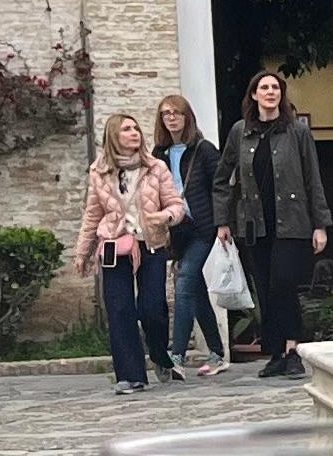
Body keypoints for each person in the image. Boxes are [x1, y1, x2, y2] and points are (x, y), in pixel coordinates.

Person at [221, 68, 330, 381]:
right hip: (255, 225)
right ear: (254, 95)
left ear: (281, 96)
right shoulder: (240, 133)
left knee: (283, 283)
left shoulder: (297, 132)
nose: (270, 92)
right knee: (267, 290)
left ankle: (294, 350)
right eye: (264, 87)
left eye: (276, 88)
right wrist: (223, 221)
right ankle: (277, 354)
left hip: (292, 223)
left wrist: (320, 224)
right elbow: (223, 177)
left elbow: (313, 179)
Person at [72, 111, 185, 397]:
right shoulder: (99, 171)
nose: (134, 133)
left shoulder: (156, 167)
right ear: (114, 136)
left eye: (136, 128)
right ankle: (130, 376)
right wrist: (82, 252)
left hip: (151, 245)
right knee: (120, 311)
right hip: (115, 247)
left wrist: (165, 216)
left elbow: (176, 204)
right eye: (126, 129)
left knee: (153, 310)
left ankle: (160, 354)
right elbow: (92, 213)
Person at [148, 93, 228, 379]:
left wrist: (223, 223)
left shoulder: (204, 150)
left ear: (187, 117)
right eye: (165, 113)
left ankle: (176, 355)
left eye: (176, 113)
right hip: (177, 233)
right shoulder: (158, 155)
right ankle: (217, 353)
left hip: (202, 229)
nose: (171, 118)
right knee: (194, 290)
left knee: (184, 284)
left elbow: (220, 187)